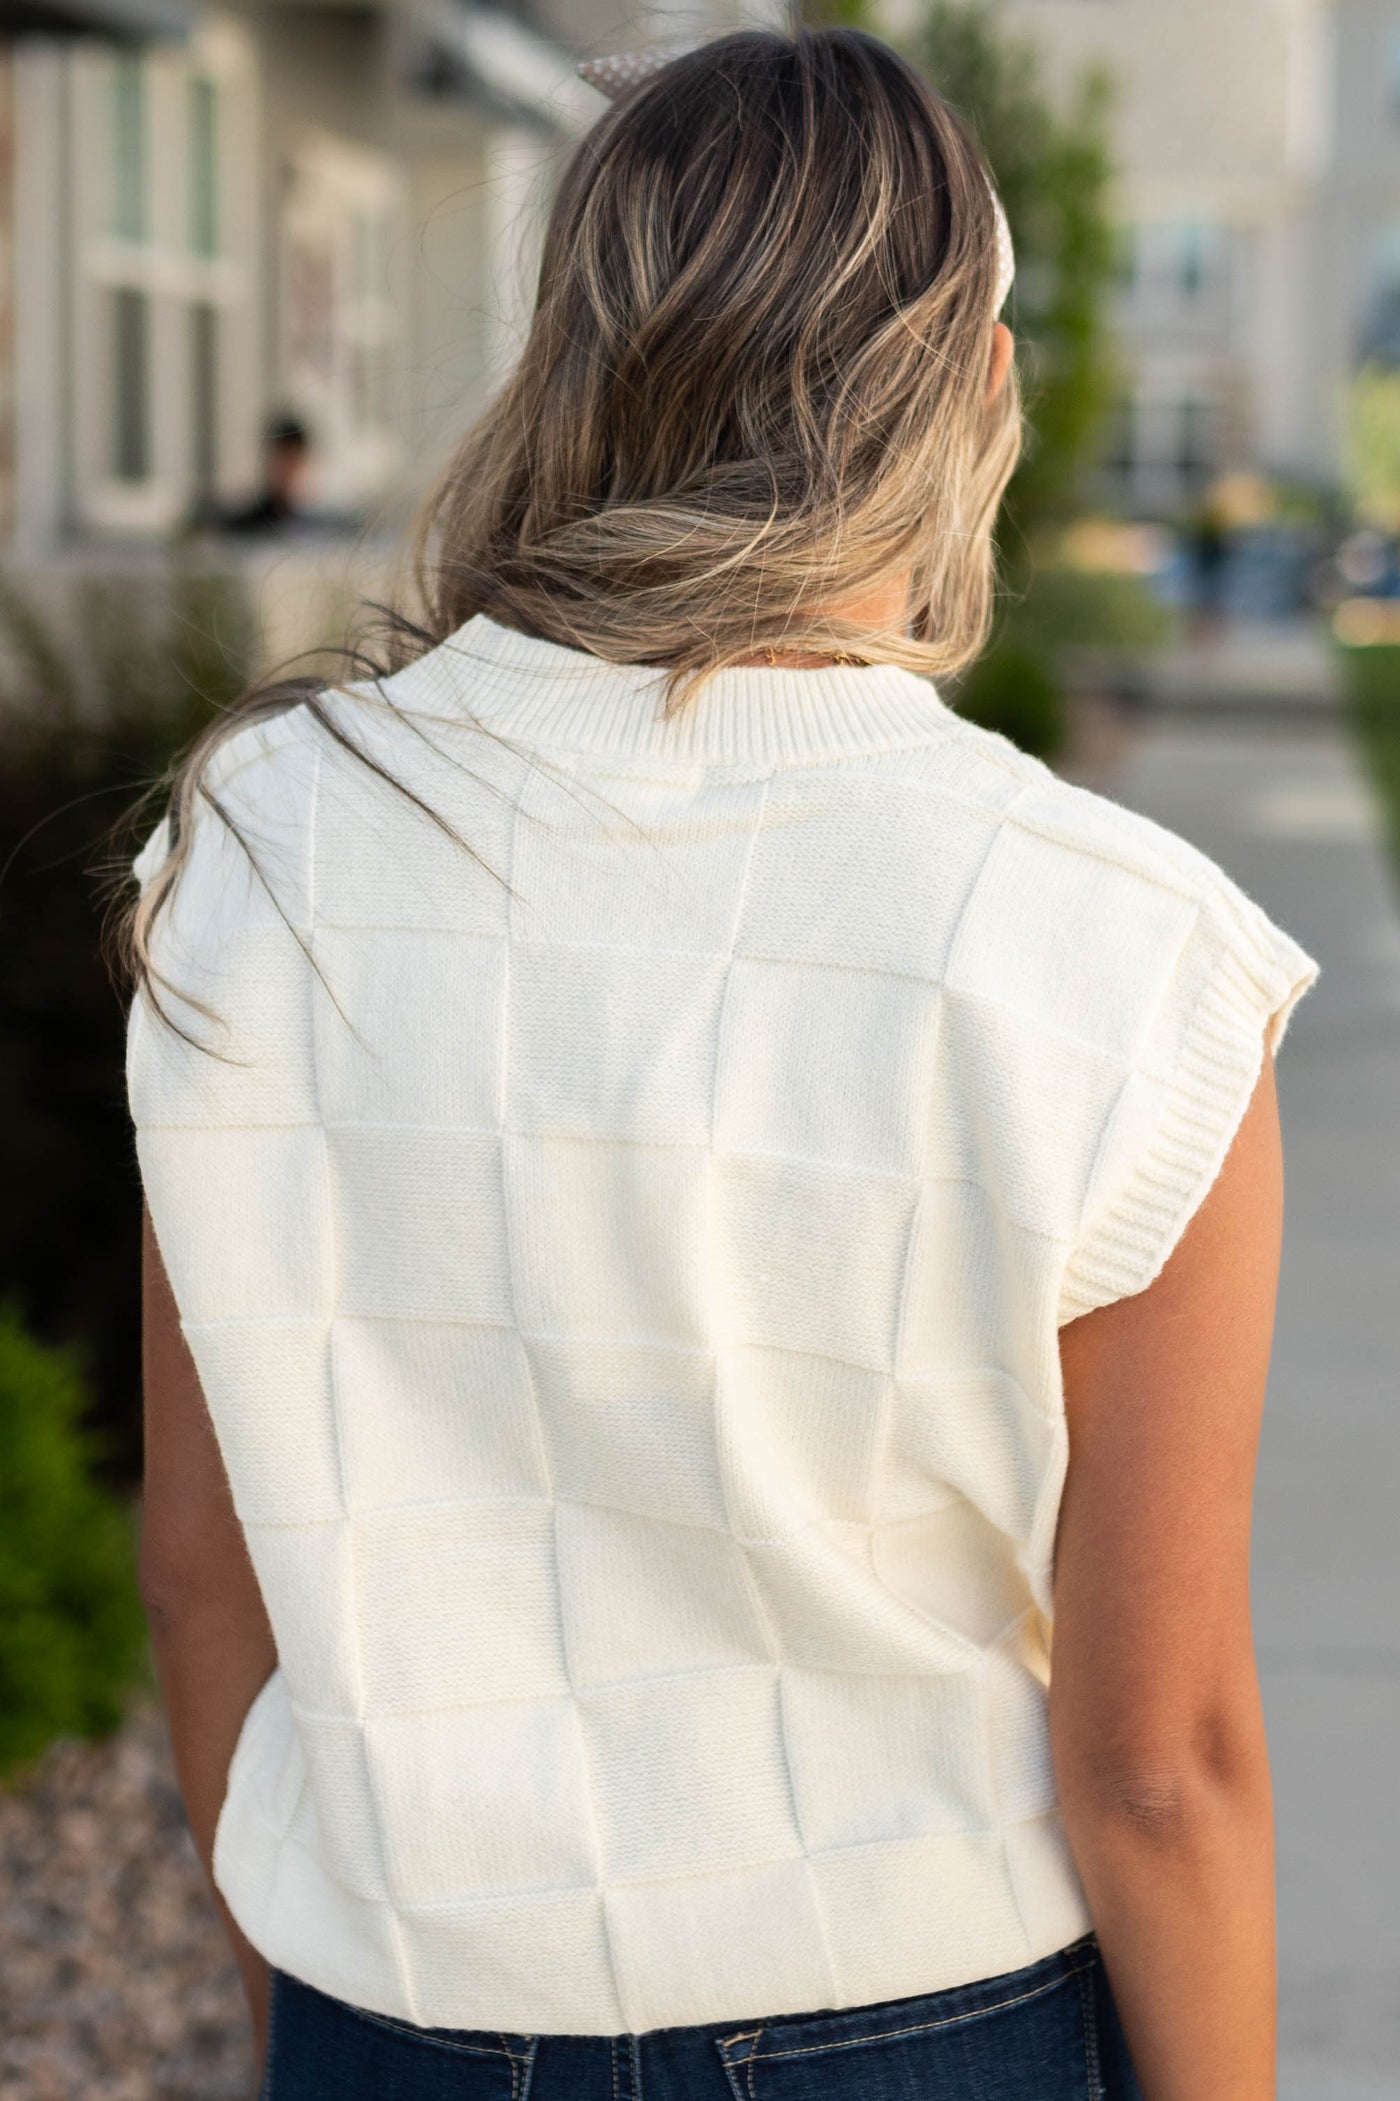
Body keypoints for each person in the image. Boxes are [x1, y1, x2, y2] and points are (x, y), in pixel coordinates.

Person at [123, 26, 1318, 2101]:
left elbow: (205, 1561)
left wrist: (302, 2004)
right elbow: (1159, 1764)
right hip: (935, 2022)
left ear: (579, 366)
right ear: (977, 396)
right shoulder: (1121, 954)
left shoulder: (255, 854)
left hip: (395, 2006)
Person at [215, 412, 314, 535]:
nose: (289, 470)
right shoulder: (242, 526)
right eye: (284, 458)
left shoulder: (307, 524)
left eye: (294, 460)